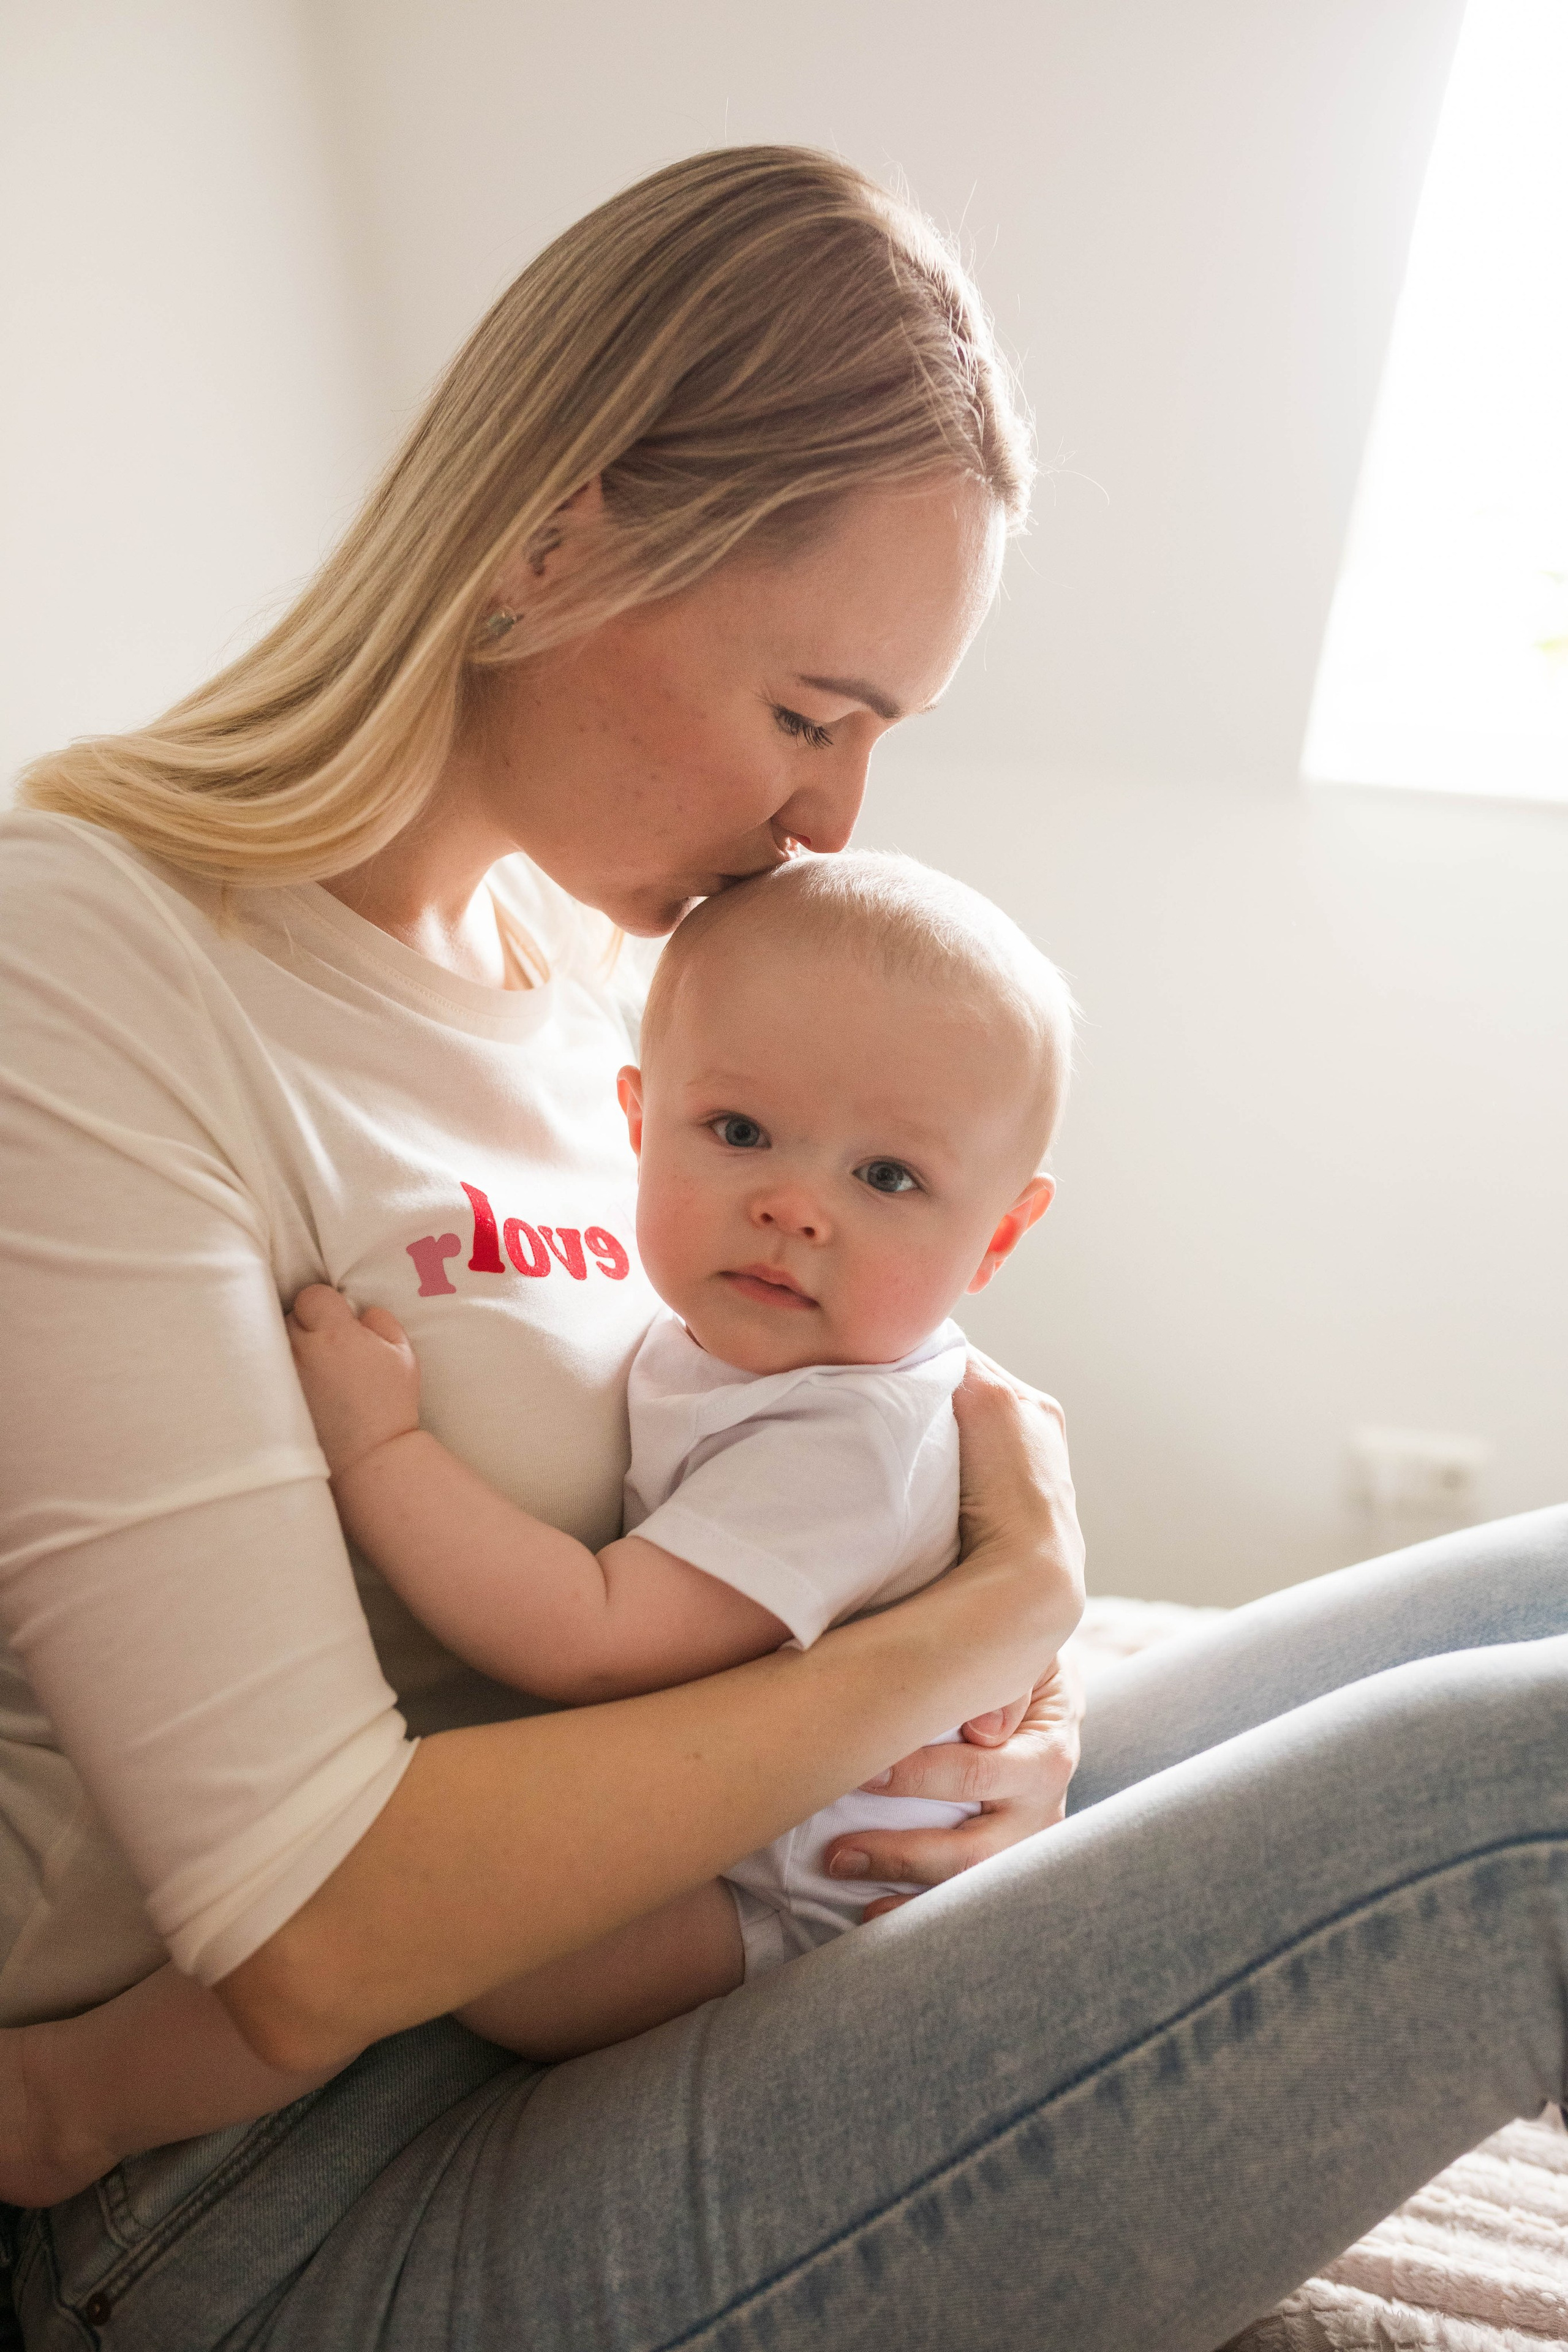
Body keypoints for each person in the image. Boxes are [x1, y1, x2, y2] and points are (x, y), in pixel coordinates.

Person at [0, 144, 1563, 2352]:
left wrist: (1013, 1723)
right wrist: (972, 1636)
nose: (836, 823)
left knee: (1550, 1600)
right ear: (557, 534)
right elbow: (309, 1937)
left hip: (678, 1949)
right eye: (810, 714)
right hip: (265, 2176)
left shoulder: (582, 978)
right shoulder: (88, 969)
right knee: (1538, 1795)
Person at [0, 848, 1076, 2188]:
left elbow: (596, 1638)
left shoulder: (847, 1433)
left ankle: (70, 2107)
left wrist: (381, 1447)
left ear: (995, 1240)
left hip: (779, 1901)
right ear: (637, 1119)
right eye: (738, 1133)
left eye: (889, 1179)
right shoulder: (741, 1346)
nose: (793, 1206)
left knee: (450, 1927)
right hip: (747, 1815)